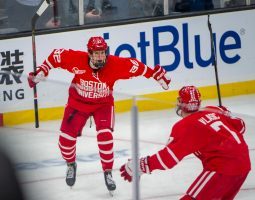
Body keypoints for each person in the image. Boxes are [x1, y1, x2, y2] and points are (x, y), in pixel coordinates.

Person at [27, 36, 171, 193]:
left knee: (105, 136)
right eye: (96, 53)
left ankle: (108, 172)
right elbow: (56, 55)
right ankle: (71, 164)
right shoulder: (76, 59)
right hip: (78, 103)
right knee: (65, 141)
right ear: (89, 53)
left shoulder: (115, 64)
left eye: (102, 52)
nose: (100, 56)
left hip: (103, 105)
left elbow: (137, 67)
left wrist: (155, 74)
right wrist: (42, 70)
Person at [120, 85, 251, 199]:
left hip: (222, 168)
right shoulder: (213, 110)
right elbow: (241, 126)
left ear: (181, 103)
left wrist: (141, 165)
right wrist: (228, 115)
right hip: (244, 164)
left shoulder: (185, 126)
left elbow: (168, 159)